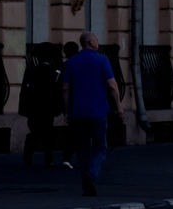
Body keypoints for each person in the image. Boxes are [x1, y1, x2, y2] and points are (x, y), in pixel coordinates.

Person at [60, 31, 122, 197]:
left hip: (78, 113)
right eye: (97, 41)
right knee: (100, 147)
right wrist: (119, 106)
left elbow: (65, 89)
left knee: (83, 149)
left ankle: (86, 183)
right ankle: (91, 174)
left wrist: (67, 110)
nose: (98, 43)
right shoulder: (102, 60)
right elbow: (112, 86)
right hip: (98, 111)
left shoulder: (71, 62)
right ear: (92, 43)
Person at [18, 47, 63, 168]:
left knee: (35, 131)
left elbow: (24, 92)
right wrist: (59, 108)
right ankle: (48, 159)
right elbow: (58, 92)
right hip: (48, 108)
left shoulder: (31, 71)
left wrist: (23, 108)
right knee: (48, 133)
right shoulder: (54, 73)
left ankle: (28, 152)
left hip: (33, 108)